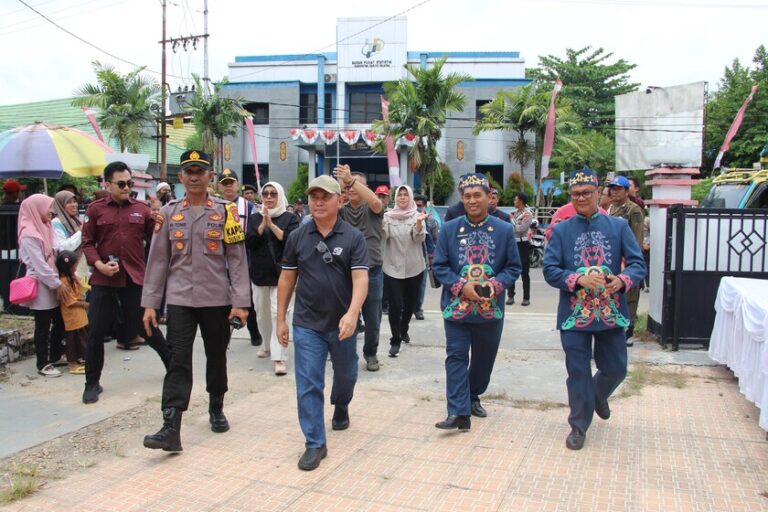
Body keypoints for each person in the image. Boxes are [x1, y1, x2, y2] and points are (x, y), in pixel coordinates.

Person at [141, 150, 251, 453]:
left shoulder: (226, 212)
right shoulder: (168, 213)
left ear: (210, 176)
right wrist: (151, 303)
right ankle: (171, 426)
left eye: (200, 171)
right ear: (180, 177)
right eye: (189, 171)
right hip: (180, 299)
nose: (194, 176)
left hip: (217, 299)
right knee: (177, 359)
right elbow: (158, 261)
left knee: (217, 356)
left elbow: (237, 261)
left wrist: (241, 303)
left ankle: (216, 406)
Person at [543, 167, 646, 451]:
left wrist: (622, 280)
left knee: (616, 368)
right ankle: (578, 425)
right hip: (574, 314)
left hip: (610, 311)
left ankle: (598, 395)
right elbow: (549, 269)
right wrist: (577, 279)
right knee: (577, 371)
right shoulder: (562, 230)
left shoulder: (618, 227)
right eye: (576, 194)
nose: (581, 198)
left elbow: (638, 264)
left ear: (598, 193)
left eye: (587, 192)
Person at [276, 175, 368, 471]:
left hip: (342, 324)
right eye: (313, 196)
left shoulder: (353, 237)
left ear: (339, 200)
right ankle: (315, 442)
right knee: (308, 383)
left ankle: (341, 404)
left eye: (325, 196)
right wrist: (281, 319)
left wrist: (352, 313)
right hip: (307, 323)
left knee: (346, 376)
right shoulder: (298, 237)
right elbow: (287, 278)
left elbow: (360, 278)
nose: (318, 202)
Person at [432, 173, 521, 431]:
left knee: (484, 359)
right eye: (467, 196)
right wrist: (461, 286)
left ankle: (472, 395)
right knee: (456, 356)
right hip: (456, 308)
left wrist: (494, 285)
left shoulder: (504, 229)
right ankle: (458, 412)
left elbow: (513, 267)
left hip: (489, 310)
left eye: (477, 195)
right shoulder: (450, 229)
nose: (472, 201)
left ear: (488, 196)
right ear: (462, 198)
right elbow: (440, 265)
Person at [81, 161, 169, 404]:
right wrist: (98, 265)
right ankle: (92, 383)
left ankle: (173, 367)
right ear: (107, 184)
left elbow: (158, 238)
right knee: (97, 330)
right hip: (104, 278)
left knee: (145, 326)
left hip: (133, 276)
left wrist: (160, 219)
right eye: (121, 184)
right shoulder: (95, 209)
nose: (127, 188)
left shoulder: (141, 209)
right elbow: (87, 242)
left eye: (130, 183)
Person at [245, 181, 300, 375]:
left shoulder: (290, 218)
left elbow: (292, 242)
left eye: (273, 194)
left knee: (280, 314)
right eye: (266, 194)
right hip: (260, 274)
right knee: (262, 314)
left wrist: (272, 226)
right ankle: (267, 344)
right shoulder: (254, 218)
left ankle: (279, 357)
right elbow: (250, 242)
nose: (269, 198)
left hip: (284, 274)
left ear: (280, 196)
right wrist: (262, 224)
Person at [336, 164, 384, 372]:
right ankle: (342, 351)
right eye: (348, 186)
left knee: (372, 318)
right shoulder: (341, 211)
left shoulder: (373, 208)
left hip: (371, 271)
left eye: (355, 184)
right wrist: (342, 182)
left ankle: (371, 353)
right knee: (344, 314)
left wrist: (351, 179)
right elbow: (333, 198)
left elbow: (374, 201)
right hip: (345, 273)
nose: (351, 188)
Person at [17, 194, 65, 377]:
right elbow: (40, 265)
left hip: (52, 282)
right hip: (41, 284)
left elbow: (56, 250)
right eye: (48, 207)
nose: (51, 211)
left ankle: (54, 355)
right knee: (43, 324)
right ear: (36, 209)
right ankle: (43, 363)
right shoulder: (29, 234)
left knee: (59, 320)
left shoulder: (45, 228)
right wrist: (56, 284)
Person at [218, 168, 263, 348]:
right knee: (222, 301)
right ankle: (223, 337)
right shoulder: (214, 205)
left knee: (247, 299)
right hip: (219, 261)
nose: (228, 187)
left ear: (237, 185)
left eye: (231, 183)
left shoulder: (248, 207)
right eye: (225, 183)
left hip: (244, 260)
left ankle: (254, 332)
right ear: (219, 186)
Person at [382, 185, 426, 357]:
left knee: (410, 304)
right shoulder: (387, 216)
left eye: (405, 195)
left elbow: (419, 238)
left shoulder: (417, 215)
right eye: (399, 195)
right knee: (395, 305)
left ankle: (404, 328)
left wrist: (419, 224)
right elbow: (383, 236)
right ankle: (395, 340)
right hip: (392, 267)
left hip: (414, 267)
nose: (402, 198)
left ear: (410, 198)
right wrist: (380, 222)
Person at [607, 176, 645, 346]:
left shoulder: (633, 210)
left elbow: (636, 239)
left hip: (626, 259)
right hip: (612, 258)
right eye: (612, 189)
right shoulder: (611, 208)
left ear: (626, 191)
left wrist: (631, 262)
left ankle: (627, 331)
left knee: (629, 296)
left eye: (618, 189)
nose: (614, 192)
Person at [55, 250, 88, 375]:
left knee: (82, 338)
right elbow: (70, 301)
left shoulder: (71, 279)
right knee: (72, 341)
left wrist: (77, 280)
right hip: (72, 317)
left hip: (80, 316)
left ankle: (80, 358)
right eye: (74, 265)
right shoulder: (63, 282)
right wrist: (85, 304)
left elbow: (80, 290)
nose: (76, 267)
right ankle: (72, 364)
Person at [413, 194, 439, 321]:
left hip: (423, 257)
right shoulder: (408, 218)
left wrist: (432, 257)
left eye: (419, 206)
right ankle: (403, 309)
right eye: (415, 205)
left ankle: (418, 309)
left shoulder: (431, 221)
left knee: (421, 285)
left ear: (424, 206)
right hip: (408, 256)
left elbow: (435, 239)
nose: (417, 209)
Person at [509, 192, 533, 306]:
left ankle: (526, 297)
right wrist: (514, 224)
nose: (514, 202)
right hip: (513, 244)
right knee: (511, 269)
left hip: (523, 244)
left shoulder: (527, 214)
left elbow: (520, 229)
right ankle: (510, 296)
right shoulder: (513, 214)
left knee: (524, 272)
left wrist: (512, 223)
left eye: (516, 200)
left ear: (521, 201)